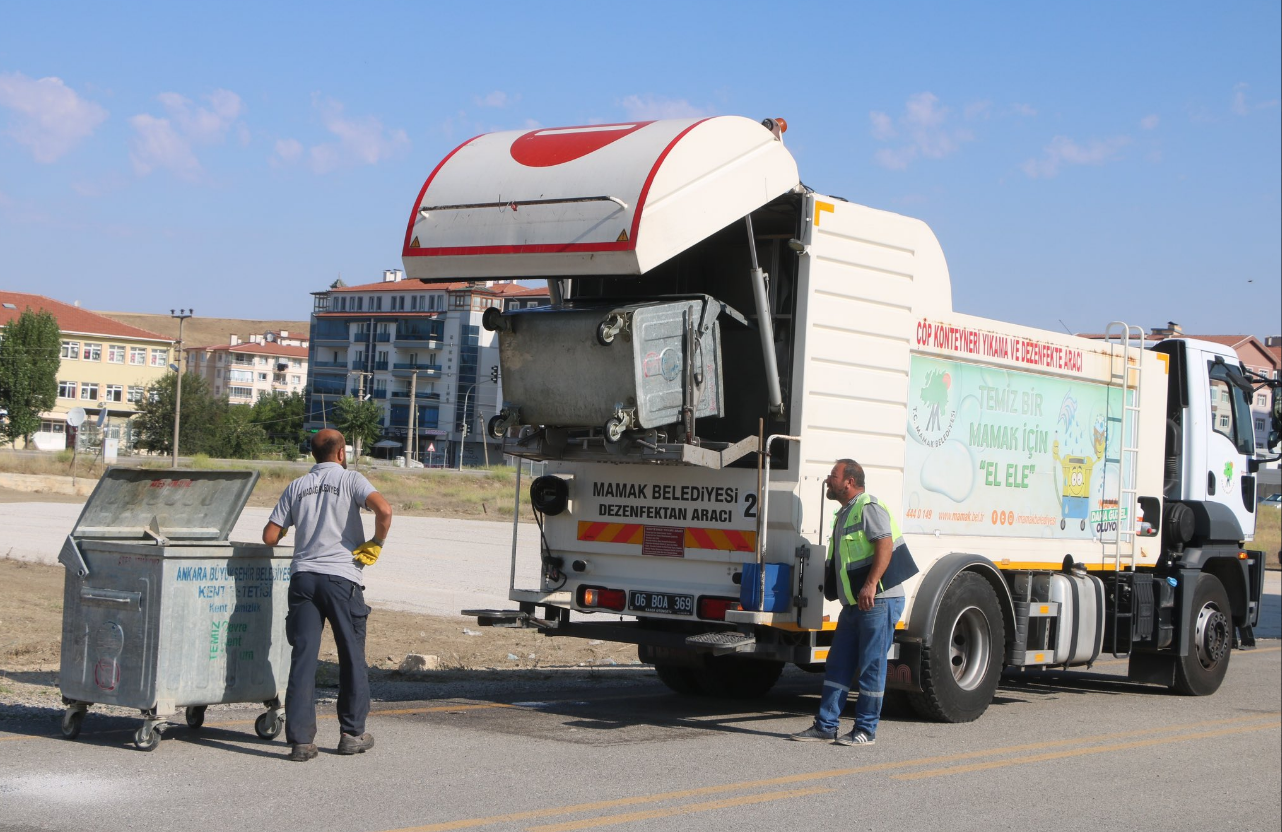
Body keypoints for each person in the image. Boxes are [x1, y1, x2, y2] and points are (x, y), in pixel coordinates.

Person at [263, 428, 393, 762]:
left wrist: (298, 523)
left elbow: (269, 537)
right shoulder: (351, 480)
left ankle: (301, 741)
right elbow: (384, 510)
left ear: (313, 455)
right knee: (351, 655)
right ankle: (352, 733)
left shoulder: (297, 486)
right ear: (341, 453)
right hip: (341, 579)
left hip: (304, 579)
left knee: (303, 657)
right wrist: (376, 543)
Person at [790, 458, 918, 746]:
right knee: (838, 665)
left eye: (832, 475)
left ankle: (865, 730)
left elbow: (884, 545)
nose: (827, 480)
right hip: (855, 604)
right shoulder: (845, 512)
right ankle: (825, 726)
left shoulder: (868, 506)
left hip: (879, 601)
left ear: (849, 481)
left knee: (871, 666)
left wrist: (871, 584)